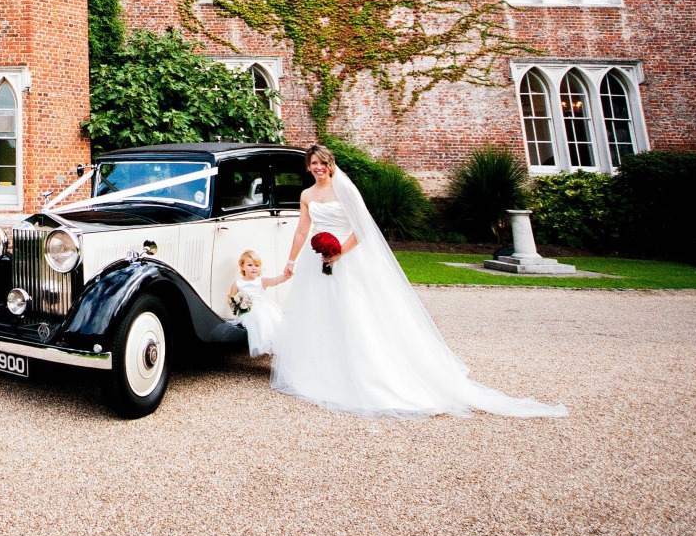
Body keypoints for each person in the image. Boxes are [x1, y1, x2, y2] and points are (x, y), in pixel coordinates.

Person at [270, 143, 566, 418]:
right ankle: (324, 372)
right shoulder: (307, 195)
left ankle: (365, 374)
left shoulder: (345, 190)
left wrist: (338, 253)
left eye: (322, 163)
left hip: (347, 261)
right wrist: (291, 260)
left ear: (330, 165)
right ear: (308, 167)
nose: (318, 167)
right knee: (321, 315)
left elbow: (362, 228)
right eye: (313, 164)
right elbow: (301, 230)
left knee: (355, 313)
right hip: (316, 262)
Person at [228, 249, 287, 359]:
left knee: (274, 320)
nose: (254, 268)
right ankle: (264, 344)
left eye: (256, 265)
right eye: (250, 265)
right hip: (247, 309)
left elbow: (275, 280)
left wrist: (285, 276)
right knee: (256, 318)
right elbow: (231, 297)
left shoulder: (261, 281)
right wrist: (237, 305)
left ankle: (274, 345)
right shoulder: (238, 283)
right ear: (242, 267)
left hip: (263, 306)